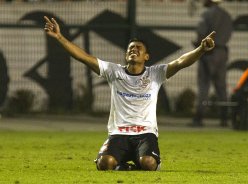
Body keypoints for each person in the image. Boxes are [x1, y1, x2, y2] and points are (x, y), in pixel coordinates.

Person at [44, 16, 215, 171]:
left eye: (138, 48)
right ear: (126, 55)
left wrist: (201, 49)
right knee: (105, 164)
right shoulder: (113, 72)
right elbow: (84, 57)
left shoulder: (155, 74)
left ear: (146, 56)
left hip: (145, 134)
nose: (134, 50)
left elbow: (179, 62)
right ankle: (125, 165)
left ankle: (131, 165)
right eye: (131, 48)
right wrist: (59, 37)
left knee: (149, 163)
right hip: (119, 133)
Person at [192, 0, 233, 127]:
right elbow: (229, 34)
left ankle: (199, 118)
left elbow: (201, 33)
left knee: (204, 85)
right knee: (221, 87)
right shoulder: (227, 15)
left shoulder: (207, 14)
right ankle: (224, 118)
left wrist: (197, 45)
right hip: (222, 52)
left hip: (208, 52)